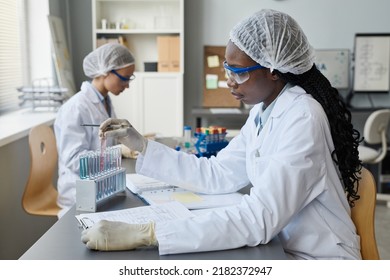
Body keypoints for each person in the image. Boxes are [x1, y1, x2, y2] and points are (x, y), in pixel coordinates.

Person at [81, 9, 363, 259]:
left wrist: (150, 233)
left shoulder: (303, 117)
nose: (229, 81)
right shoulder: (263, 113)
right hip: (281, 246)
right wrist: (143, 146)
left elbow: (259, 217)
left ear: (274, 70)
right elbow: (217, 173)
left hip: (316, 257)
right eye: (227, 69)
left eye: (239, 72)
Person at [54, 43, 136, 218]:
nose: (127, 85)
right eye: (124, 78)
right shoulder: (75, 108)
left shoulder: (105, 101)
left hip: (102, 186)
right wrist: (115, 153)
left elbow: (105, 141)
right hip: (78, 193)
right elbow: (74, 160)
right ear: (106, 71)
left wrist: (123, 146)